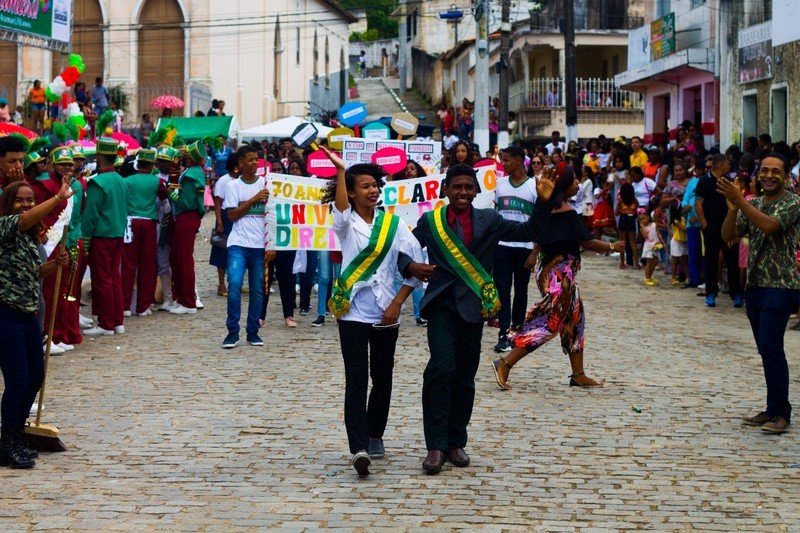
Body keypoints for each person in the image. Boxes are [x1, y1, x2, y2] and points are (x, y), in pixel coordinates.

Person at [398, 163, 555, 475]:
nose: (463, 193)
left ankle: (456, 441)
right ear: (445, 190)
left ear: (477, 191)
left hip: (474, 307)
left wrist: (544, 201)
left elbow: (529, 232)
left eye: (469, 188)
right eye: (457, 187)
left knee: (465, 375)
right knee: (441, 369)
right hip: (442, 304)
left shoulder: (490, 220)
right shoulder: (431, 222)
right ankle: (435, 446)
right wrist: (411, 267)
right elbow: (405, 250)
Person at [320, 146, 426, 476]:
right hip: (352, 311)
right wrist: (340, 170)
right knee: (356, 378)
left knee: (382, 378)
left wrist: (398, 304)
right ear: (351, 192)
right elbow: (338, 209)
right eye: (365, 186)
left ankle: (375, 432)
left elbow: (412, 267)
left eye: (375, 185)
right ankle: (358, 447)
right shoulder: (345, 223)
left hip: (385, 312)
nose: (373, 190)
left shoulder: (393, 225)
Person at [490, 166, 626, 391]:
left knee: (575, 319)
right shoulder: (567, 212)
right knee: (550, 323)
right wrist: (613, 246)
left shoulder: (545, 209)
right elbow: (587, 241)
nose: (578, 185)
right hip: (559, 275)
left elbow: (538, 235)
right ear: (564, 186)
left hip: (553, 272)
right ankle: (504, 362)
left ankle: (578, 374)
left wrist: (534, 254)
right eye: (574, 182)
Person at [718, 153, 800, 434]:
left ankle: (782, 413)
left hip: (782, 285)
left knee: (771, 347)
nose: (768, 175)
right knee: (766, 350)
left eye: (775, 171)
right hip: (755, 286)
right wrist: (732, 209)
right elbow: (728, 234)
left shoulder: (793, 202)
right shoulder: (752, 203)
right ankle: (772, 407)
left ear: (786, 176)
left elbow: (768, 226)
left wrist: (741, 202)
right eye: (764, 170)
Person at [0, 179, 73, 468]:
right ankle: (6, 444)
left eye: (31, 199)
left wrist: (55, 265)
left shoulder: (29, 237)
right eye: (21, 200)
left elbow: (34, 273)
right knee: (17, 380)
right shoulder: (5, 226)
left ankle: (18, 434)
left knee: (35, 378)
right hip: (5, 315)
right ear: (9, 203)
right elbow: (26, 218)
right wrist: (56, 199)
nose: (27, 205)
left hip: (28, 316)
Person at [221, 145, 271, 349]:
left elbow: (274, 216)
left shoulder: (266, 184)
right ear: (240, 164)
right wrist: (253, 199)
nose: (254, 163)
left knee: (257, 289)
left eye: (256, 159)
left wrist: (272, 245)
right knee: (234, 285)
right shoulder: (233, 186)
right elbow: (232, 215)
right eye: (249, 160)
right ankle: (232, 332)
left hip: (260, 245)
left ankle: (253, 331)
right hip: (239, 244)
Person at [492, 146, 538, 353]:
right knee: (502, 290)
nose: (504, 164)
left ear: (519, 160)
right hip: (502, 246)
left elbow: (540, 224)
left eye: (507, 160)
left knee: (521, 291)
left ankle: (517, 330)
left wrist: (535, 252)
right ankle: (503, 332)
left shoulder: (535, 187)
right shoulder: (499, 185)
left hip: (525, 247)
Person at [82, 138, 128, 336]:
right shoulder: (121, 181)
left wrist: (85, 239)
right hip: (117, 234)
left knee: (102, 280)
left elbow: (91, 215)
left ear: (100, 157)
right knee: (114, 278)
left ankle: (106, 324)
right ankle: (117, 322)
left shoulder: (97, 183)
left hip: (101, 236)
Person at [121, 149, 165, 317]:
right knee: (147, 265)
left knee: (128, 264)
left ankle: (125, 305)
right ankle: (143, 306)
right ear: (152, 165)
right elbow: (164, 200)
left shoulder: (127, 181)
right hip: (149, 223)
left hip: (130, 222)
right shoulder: (158, 181)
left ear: (137, 164)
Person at [696, 153, 742, 308]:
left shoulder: (728, 182)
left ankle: (736, 294)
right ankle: (711, 293)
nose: (730, 167)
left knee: (732, 260)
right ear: (721, 164)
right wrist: (705, 225)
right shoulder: (704, 181)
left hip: (728, 228)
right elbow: (699, 204)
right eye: (728, 164)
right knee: (711, 260)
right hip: (711, 228)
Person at [167, 141, 207, 315]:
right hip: (186, 218)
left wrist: (171, 193)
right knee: (177, 257)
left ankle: (189, 302)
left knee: (184, 260)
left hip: (186, 217)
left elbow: (186, 202)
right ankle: (182, 298)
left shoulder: (191, 175)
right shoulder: (193, 172)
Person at [210, 155, 239, 297]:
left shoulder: (242, 179)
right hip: (225, 218)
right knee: (221, 251)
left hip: (238, 218)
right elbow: (217, 202)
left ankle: (234, 281)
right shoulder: (224, 181)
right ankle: (221, 285)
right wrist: (219, 222)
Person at [615, 183, 639, 269]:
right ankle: (636, 264)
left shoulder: (621, 201)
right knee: (633, 243)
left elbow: (616, 213)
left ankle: (622, 263)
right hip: (631, 220)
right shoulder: (634, 200)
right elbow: (637, 210)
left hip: (623, 219)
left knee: (622, 242)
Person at [639, 210, 664, 286]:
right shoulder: (642, 228)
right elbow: (645, 236)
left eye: (644, 218)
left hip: (656, 245)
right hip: (648, 246)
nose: (642, 221)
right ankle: (647, 278)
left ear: (649, 218)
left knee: (655, 261)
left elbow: (658, 234)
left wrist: (663, 242)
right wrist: (643, 227)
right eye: (640, 219)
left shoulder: (654, 225)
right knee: (649, 262)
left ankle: (649, 276)